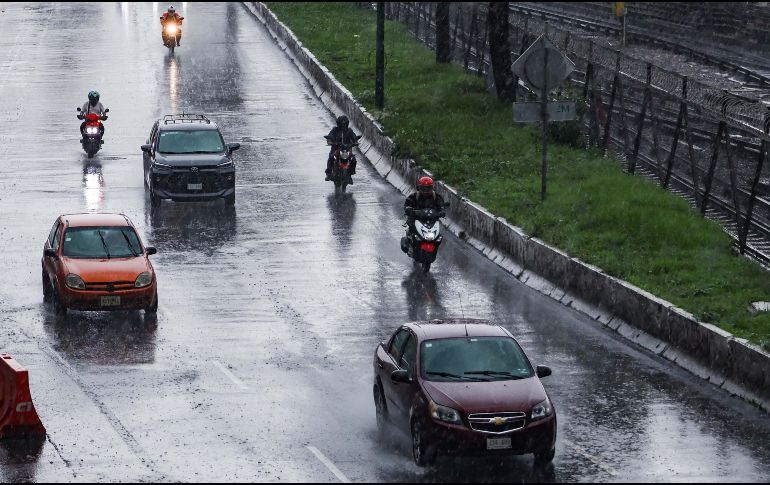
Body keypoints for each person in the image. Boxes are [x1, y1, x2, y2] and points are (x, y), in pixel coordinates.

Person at [325, 115, 359, 183]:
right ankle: (328, 173)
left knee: (353, 160)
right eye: (342, 124)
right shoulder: (335, 130)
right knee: (331, 157)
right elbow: (330, 136)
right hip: (336, 148)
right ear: (339, 123)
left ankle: (350, 175)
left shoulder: (349, 131)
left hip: (347, 149)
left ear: (347, 123)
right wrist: (330, 141)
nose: (343, 125)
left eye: (345, 124)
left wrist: (355, 141)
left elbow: (354, 137)